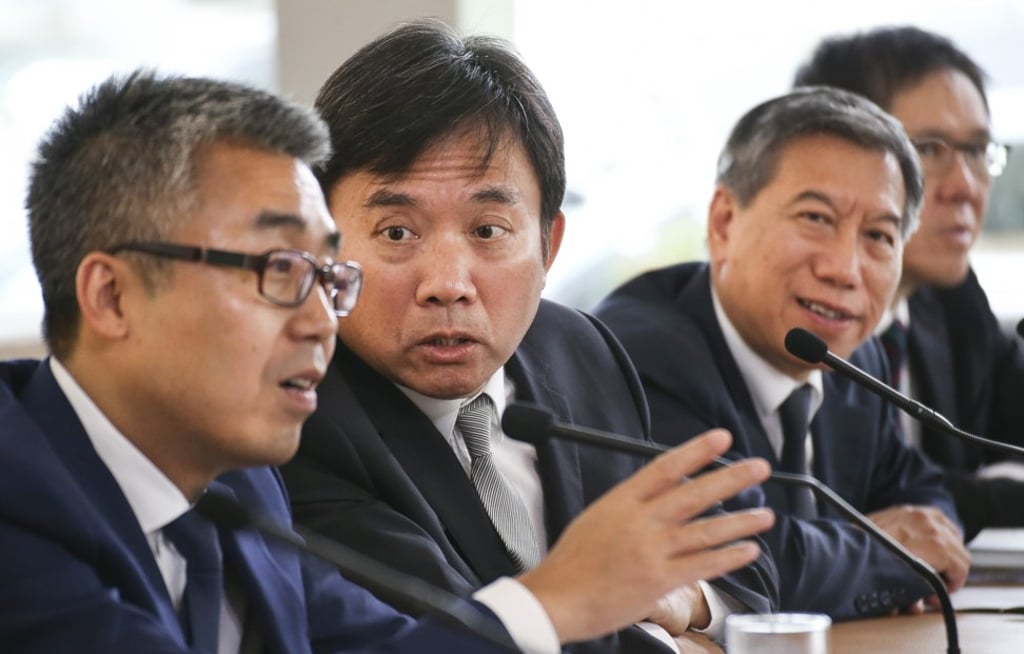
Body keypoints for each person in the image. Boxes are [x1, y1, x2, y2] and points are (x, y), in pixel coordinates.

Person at [0, 69, 777, 653]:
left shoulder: (236, 485)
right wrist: (559, 599)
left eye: (323, 277)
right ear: (110, 296)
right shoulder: (19, 508)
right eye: (278, 271)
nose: (317, 320)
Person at [279, 19, 778, 653]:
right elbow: (451, 638)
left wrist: (685, 599)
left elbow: (736, 559)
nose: (447, 284)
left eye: (488, 231)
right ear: (325, 243)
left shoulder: (580, 352)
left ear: (548, 246)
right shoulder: (302, 418)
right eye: (398, 232)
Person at [593, 86, 971, 621]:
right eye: (816, 218)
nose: (844, 268)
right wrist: (892, 554)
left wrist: (913, 539)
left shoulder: (856, 361)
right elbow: (728, 556)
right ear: (724, 223)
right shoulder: (640, 353)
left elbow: (924, 501)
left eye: (879, 236)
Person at [793, 25, 1024, 541]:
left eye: (978, 151)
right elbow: (850, 509)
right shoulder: (796, 313)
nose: (965, 186)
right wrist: (987, 491)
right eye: (931, 149)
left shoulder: (952, 301)